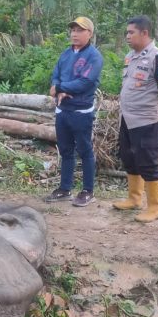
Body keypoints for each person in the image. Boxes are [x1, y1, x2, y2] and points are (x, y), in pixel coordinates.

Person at [113, 15, 158, 222]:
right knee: (129, 157)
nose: (127, 36)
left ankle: (155, 207)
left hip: (147, 119)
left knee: (148, 161)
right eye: (127, 32)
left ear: (145, 33)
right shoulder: (131, 56)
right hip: (127, 117)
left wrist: (149, 107)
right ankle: (134, 198)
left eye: (131, 32)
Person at [46, 16, 103, 207]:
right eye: (73, 30)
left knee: (85, 149)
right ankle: (65, 188)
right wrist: (56, 87)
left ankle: (88, 190)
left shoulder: (94, 56)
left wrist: (61, 88)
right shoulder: (65, 54)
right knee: (65, 150)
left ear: (90, 34)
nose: (74, 34)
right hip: (63, 111)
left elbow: (85, 82)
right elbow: (56, 74)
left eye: (80, 30)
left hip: (81, 111)